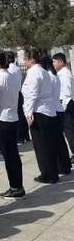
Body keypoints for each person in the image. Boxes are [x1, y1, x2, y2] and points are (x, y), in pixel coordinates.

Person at [0, 51, 25, 199]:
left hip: (2, 120)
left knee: (9, 156)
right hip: (12, 118)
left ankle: (15, 187)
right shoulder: (10, 76)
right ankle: (17, 185)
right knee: (13, 155)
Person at [22, 48, 59, 184]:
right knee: (49, 144)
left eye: (25, 59)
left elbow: (32, 95)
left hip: (39, 111)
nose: (24, 62)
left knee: (41, 146)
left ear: (31, 60)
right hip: (47, 110)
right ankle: (52, 172)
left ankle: (47, 174)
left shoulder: (34, 73)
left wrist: (28, 113)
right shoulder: (43, 71)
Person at [39, 55, 72, 176]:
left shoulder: (50, 76)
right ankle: (65, 164)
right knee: (60, 139)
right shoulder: (54, 75)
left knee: (58, 139)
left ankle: (62, 165)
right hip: (57, 108)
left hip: (56, 108)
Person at [52, 53, 74, 159]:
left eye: (54, 61)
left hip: (67, 104)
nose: (53, 64)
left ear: (61, 62)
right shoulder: (62, 73)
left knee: (69, 131)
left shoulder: (64, 74)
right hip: (66, 104)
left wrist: (63, 108)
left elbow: (66, 93)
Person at [6, 51, 30, 144]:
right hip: (19, 92)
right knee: (21, 114)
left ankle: (20, 137)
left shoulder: (10, 69)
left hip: (14, 93)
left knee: (17, 115)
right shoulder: (16, 68)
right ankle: (25, 136)